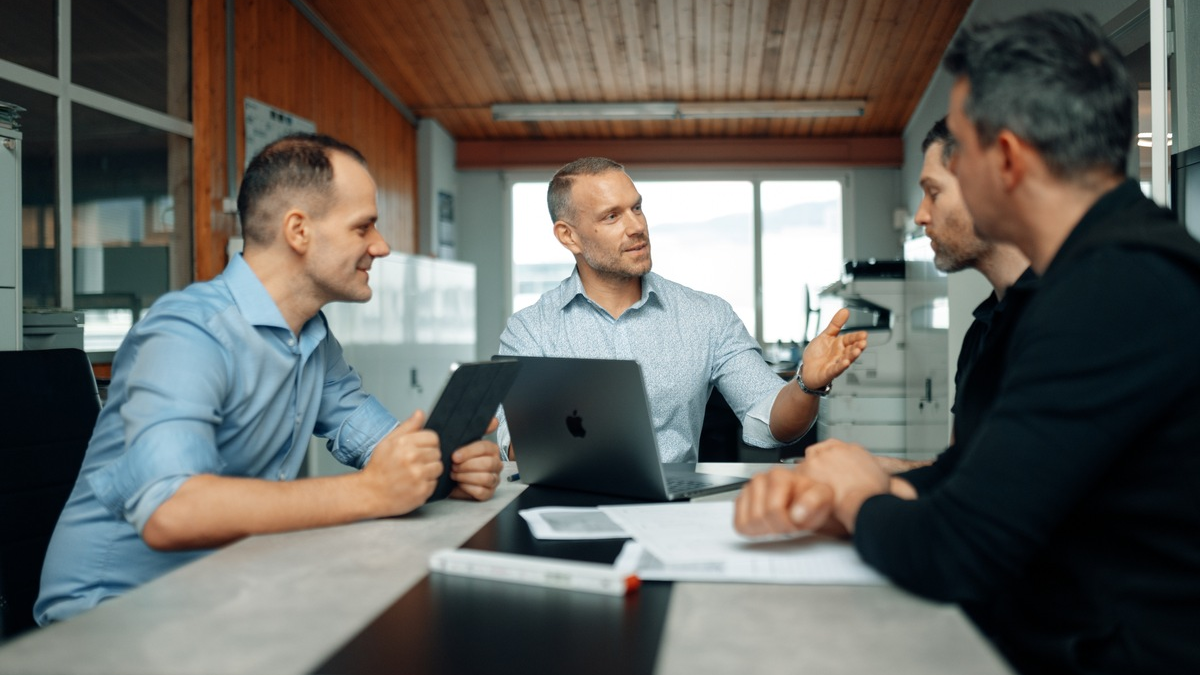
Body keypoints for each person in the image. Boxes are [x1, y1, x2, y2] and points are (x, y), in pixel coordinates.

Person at [735, 11, 1200, 675]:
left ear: (1005, 158)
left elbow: (956, 549)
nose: (943, 181)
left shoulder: (1113, 290)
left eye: (960, 153)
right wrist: (844, 494)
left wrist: (860, 497)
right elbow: (978, 482)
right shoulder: (1085, 279)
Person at [36, 133, 504, 625]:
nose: (381, 246)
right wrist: (371, 491)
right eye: (363, 227)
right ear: (298, 231)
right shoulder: (188, 332)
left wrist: (445, 469)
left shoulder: (314, 339)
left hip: (220, 591)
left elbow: (382, 449)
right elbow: (170, 511)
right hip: (109, 614)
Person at [497, 157, 867, 463]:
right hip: (567, 508)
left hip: (673, 511)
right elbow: (513, 445)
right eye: (612, 216)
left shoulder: (707, 316)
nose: (637, 226)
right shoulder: (530, 330)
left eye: (637, 208)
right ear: (569, 236)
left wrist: (806, 385)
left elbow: (772, 424)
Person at [874, 117, 1034, 476]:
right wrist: (880, 471)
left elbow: (1029, 492)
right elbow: (965, 474)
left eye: (934, 193)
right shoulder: (981, 331)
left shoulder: (1063, 319)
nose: (920, 216)